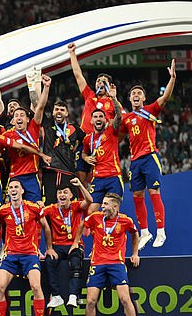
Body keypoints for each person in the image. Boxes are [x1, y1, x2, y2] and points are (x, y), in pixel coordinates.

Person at [0, 179, 55, 316]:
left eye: (16, 187)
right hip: (10, 255)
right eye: (10, 187)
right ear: (8, 192)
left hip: (30, 254)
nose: (13, 189)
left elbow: (45, 226)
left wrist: (49, 248)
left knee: (36, 286)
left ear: (22, 191)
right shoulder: (3, 210)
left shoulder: (33, 208)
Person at [121, 59, 176, 249]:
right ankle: (145, 231)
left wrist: (172, 79)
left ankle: (161, 231)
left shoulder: (150, 110)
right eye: (133, 93)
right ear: (129, 99)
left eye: (139, 93)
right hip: (134, 161)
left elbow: (165, 98)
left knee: (154, 192)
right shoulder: (126, 119)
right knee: (137, 195)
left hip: (150, 156)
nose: (136, 95)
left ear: (144, 98)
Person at [74, 193, 140, 316]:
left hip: (117, 263)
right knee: (90, 301)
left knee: (125, 299)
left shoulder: (125, 220)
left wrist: (135, 253)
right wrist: (76, 242)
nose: (102, 207)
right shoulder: (95, 217)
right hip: (97, 263)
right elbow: (83, 224)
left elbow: (134, 234)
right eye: (102, 204)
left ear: (115, 207)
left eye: (105, 204)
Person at [68, 42, 117, 185]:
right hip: (84, 140)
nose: (100, 84)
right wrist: (72, 53)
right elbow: (78, 74)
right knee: (80, 178)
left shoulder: (113, 102)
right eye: (98, 81)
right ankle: (83, 205)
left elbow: (120, 120)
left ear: (109, 86)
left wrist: (114, 98)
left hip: (103, 142)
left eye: (104, 82)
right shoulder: (89, 96)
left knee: (101, 179)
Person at [42, 178, 92, 308]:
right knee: (49, 261)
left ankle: (73, 296)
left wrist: (80, 185)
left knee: (76, 262)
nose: (62, 195)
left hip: (74, 244)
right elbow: (36, 215)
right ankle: (56, 296)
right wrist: (49, 248)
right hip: (57, 246)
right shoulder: (51, 209)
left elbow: (89, 201)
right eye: (59, 193)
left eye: (65, 192)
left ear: (71, 195)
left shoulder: (75, 206)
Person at [3, 74, 53, 202]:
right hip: (15, 176)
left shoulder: (33, 128)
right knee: (12, 206)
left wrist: (46, 87)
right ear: (13, 120)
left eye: (22, 115)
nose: (19, 117)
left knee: (35, 207)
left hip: (32, 176)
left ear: (27, 119)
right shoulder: (7, 135)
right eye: (16, 115)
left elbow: (40, 107)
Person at [40, 100, 86, 205]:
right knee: (49, 205)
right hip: (51, 171)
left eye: (62, 110)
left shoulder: (74, 128)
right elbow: (38, 104)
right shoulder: (47, 124)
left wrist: (84, 156)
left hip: (69, 172)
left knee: (72, 206)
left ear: (66, 113)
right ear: (52, 112)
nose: (59, 112)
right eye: (56, 109)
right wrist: (37, 84)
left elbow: (89, 142)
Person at [82, 103, 123, 214]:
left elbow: (119, 117)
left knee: (112, 211)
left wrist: (114, 98)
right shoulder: (87, 139)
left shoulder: (111, 130)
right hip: (97, 179)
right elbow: (83, 153)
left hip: (113, 176)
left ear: (105, 120)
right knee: (90, 212)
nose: (98, 119)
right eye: (95, 117)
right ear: (91, 121)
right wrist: (86, 158)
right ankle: (100, 231)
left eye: (101, 116)